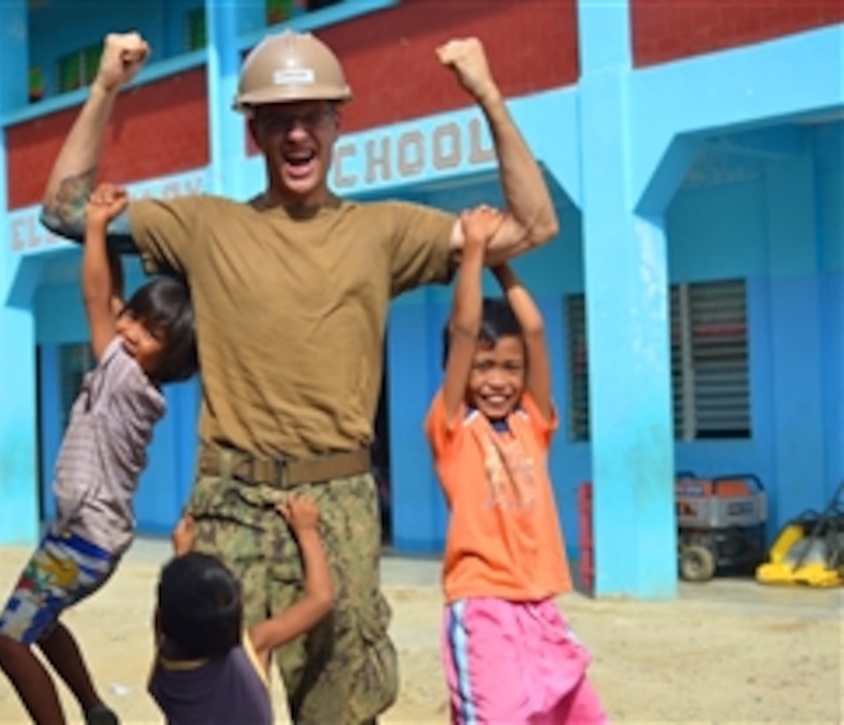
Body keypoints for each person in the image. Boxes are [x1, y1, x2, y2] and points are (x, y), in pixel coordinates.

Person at [41, 27, 559, 723]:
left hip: (338, 502)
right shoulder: (205, 227)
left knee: (342, 712)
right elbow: (66, 210)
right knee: (212, 709)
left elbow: (533, 223)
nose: (295, 136)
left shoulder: (384, 232)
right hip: (230, 502)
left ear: (336, 123)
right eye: (277, 121)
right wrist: (105, 86)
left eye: (311, 117)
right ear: (253, 132)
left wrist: (487, 94)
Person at [0, 182, 198, 724]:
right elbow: (110, 302)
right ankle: (95, 708)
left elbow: (95, 299)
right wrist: (111, 259)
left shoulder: (124, 375)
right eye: (132, 318)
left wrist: (98, 229)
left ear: (166, 360)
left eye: (149, 333)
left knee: (7, 643)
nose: (129, 332)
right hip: (81, 536)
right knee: (44, 623)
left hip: (81, 541)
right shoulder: (135, 372)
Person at [424, 205, 607, 724]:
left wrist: (502, 263)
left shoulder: (533, 424)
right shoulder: (453, 429)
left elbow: (534, 327)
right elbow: (464, 333)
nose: (498, 380)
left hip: (540, 607)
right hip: (483, 608)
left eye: (510, 368)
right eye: (483, 368)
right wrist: (475, 251)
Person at [149, 496, 333, 723]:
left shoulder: (166, 669)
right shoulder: (247, 654)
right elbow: (321, 599)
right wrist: (307, 531)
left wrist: (182, 555)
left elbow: (166, 614)